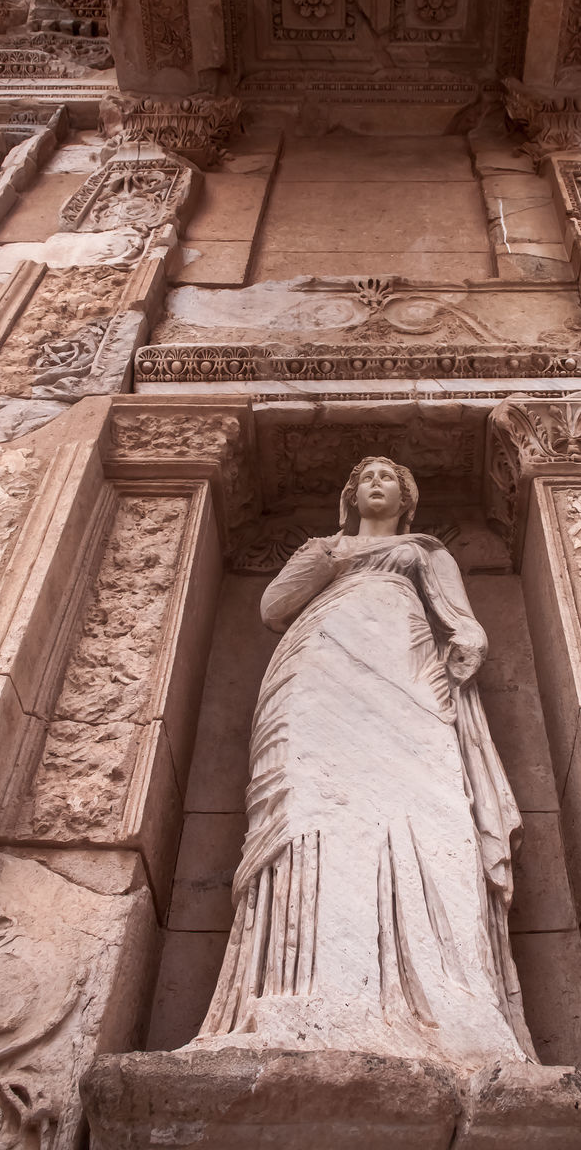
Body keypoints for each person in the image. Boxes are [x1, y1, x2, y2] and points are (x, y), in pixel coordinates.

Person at [196, 456, 535, 1071]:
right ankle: (301, 987)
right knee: (310, 805)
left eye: (390, 480)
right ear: (351, 498)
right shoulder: (323, 548)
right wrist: (327, 559)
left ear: (406, 502)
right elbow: (274, 607)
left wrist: (467, 643)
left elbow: (464, 623)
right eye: (366, 480)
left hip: (404, 670)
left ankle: (448, 996)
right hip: (317, 670)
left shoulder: (425, 551)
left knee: (428, 809)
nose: (376, 485)